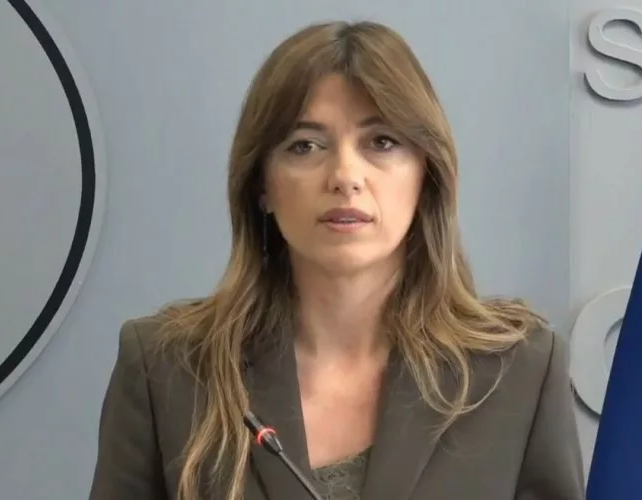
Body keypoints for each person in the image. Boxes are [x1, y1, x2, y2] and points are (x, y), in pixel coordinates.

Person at [88, 20, 584, 500]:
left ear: (426, 175)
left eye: (381, 142)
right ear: (261, 184)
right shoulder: (167, 368)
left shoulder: (519, 370)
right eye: (305, 146)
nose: (345, 175)